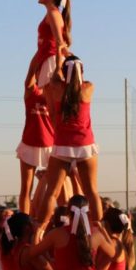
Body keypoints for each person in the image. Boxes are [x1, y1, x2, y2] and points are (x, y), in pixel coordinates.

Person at [33, 55, 102, 234]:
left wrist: (58, 60)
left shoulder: (55, 87)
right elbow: (75, 79)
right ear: (81, 71)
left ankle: (39, 231)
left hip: (62, 144)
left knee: (52, 193)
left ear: (64, 72)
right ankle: (99, 230)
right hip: (85, 144)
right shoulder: (88, 88)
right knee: (91, 192)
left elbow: (54, 78)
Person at [16, 81, 55, 214]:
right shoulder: (32, 91)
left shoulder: (56, 92)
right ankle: (24, 219)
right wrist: (40, 60)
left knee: (56, 187)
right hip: (30, 143)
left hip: (51, 144)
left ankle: (57, 218)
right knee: (26, 188)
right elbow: (29, 79)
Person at [27, 0, 71, 89]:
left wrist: (60, 67)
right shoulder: (50, 13)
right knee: (50, 101)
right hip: (47, 59)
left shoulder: (53, 13)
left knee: (53, 102)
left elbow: (59, 42)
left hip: (52, 60)